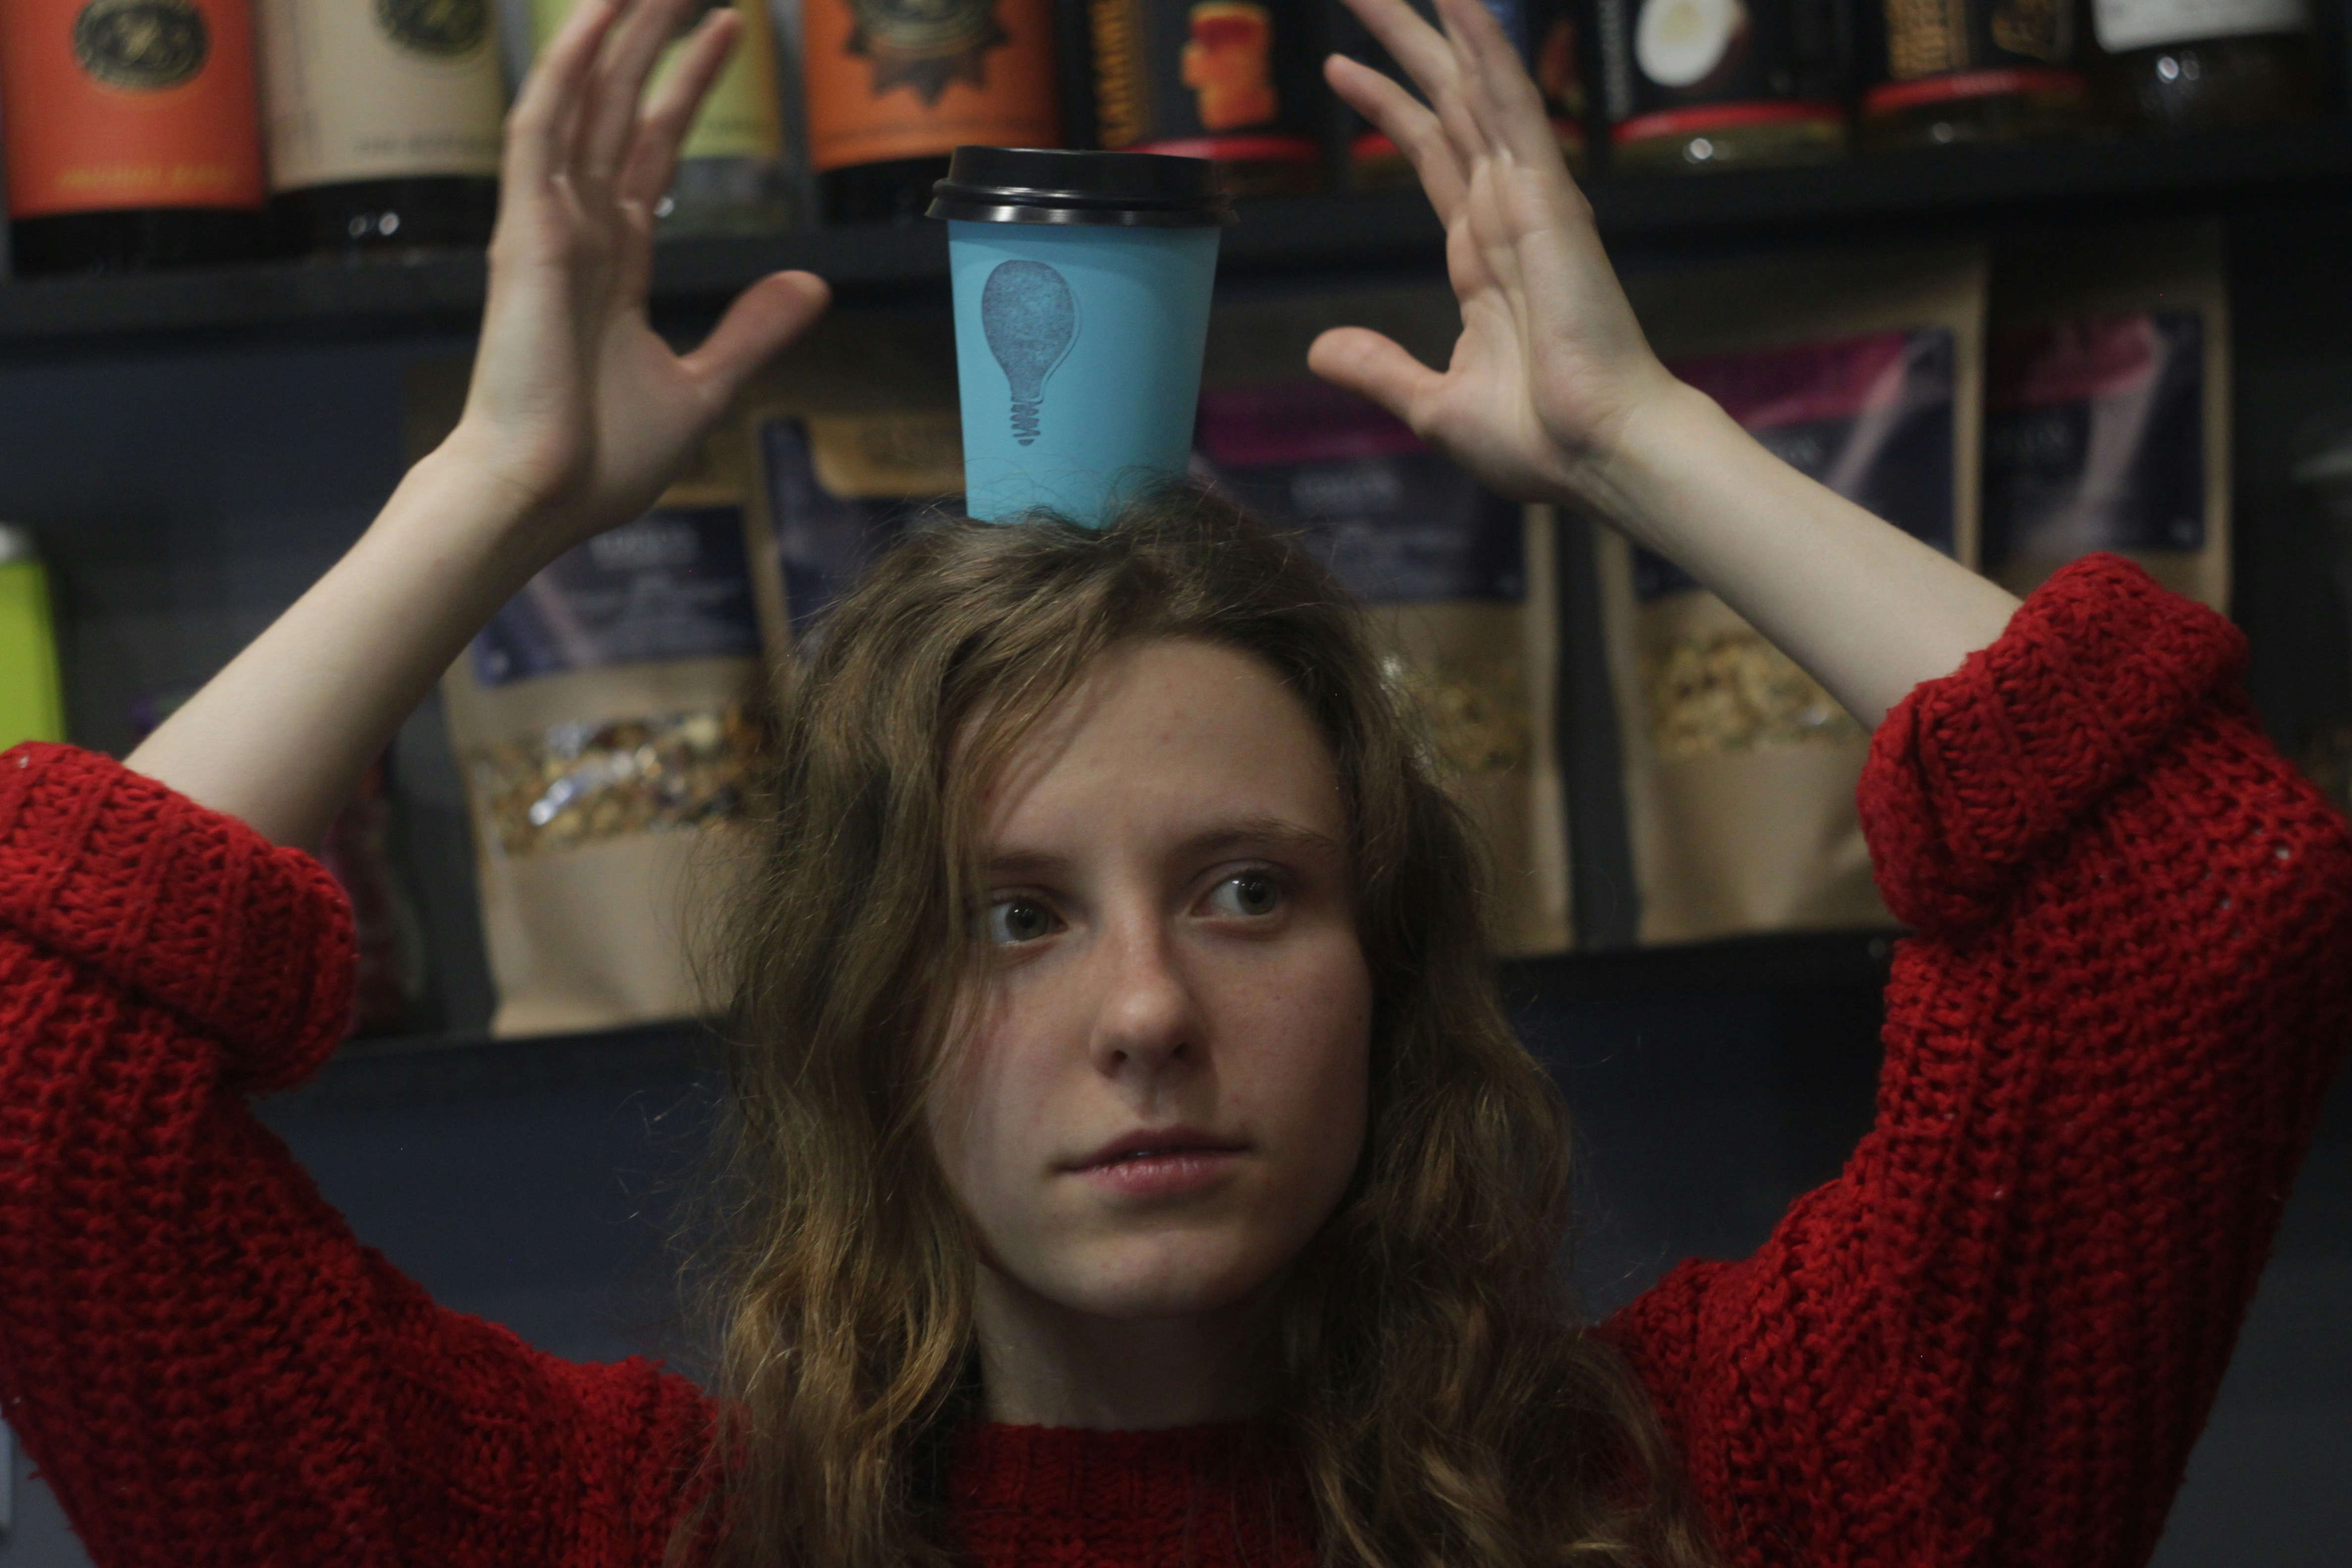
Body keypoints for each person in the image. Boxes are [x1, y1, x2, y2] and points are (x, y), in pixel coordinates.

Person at [0, 0, 2343, 1564]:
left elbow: (2191, 901)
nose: (1142, 1013)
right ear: (859, 1013)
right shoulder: (618, 1541)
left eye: (1244, 891)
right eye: (1010, 914)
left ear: (1391, 966)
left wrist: (1651, 443)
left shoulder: (1722, 1489)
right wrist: (486, 496)